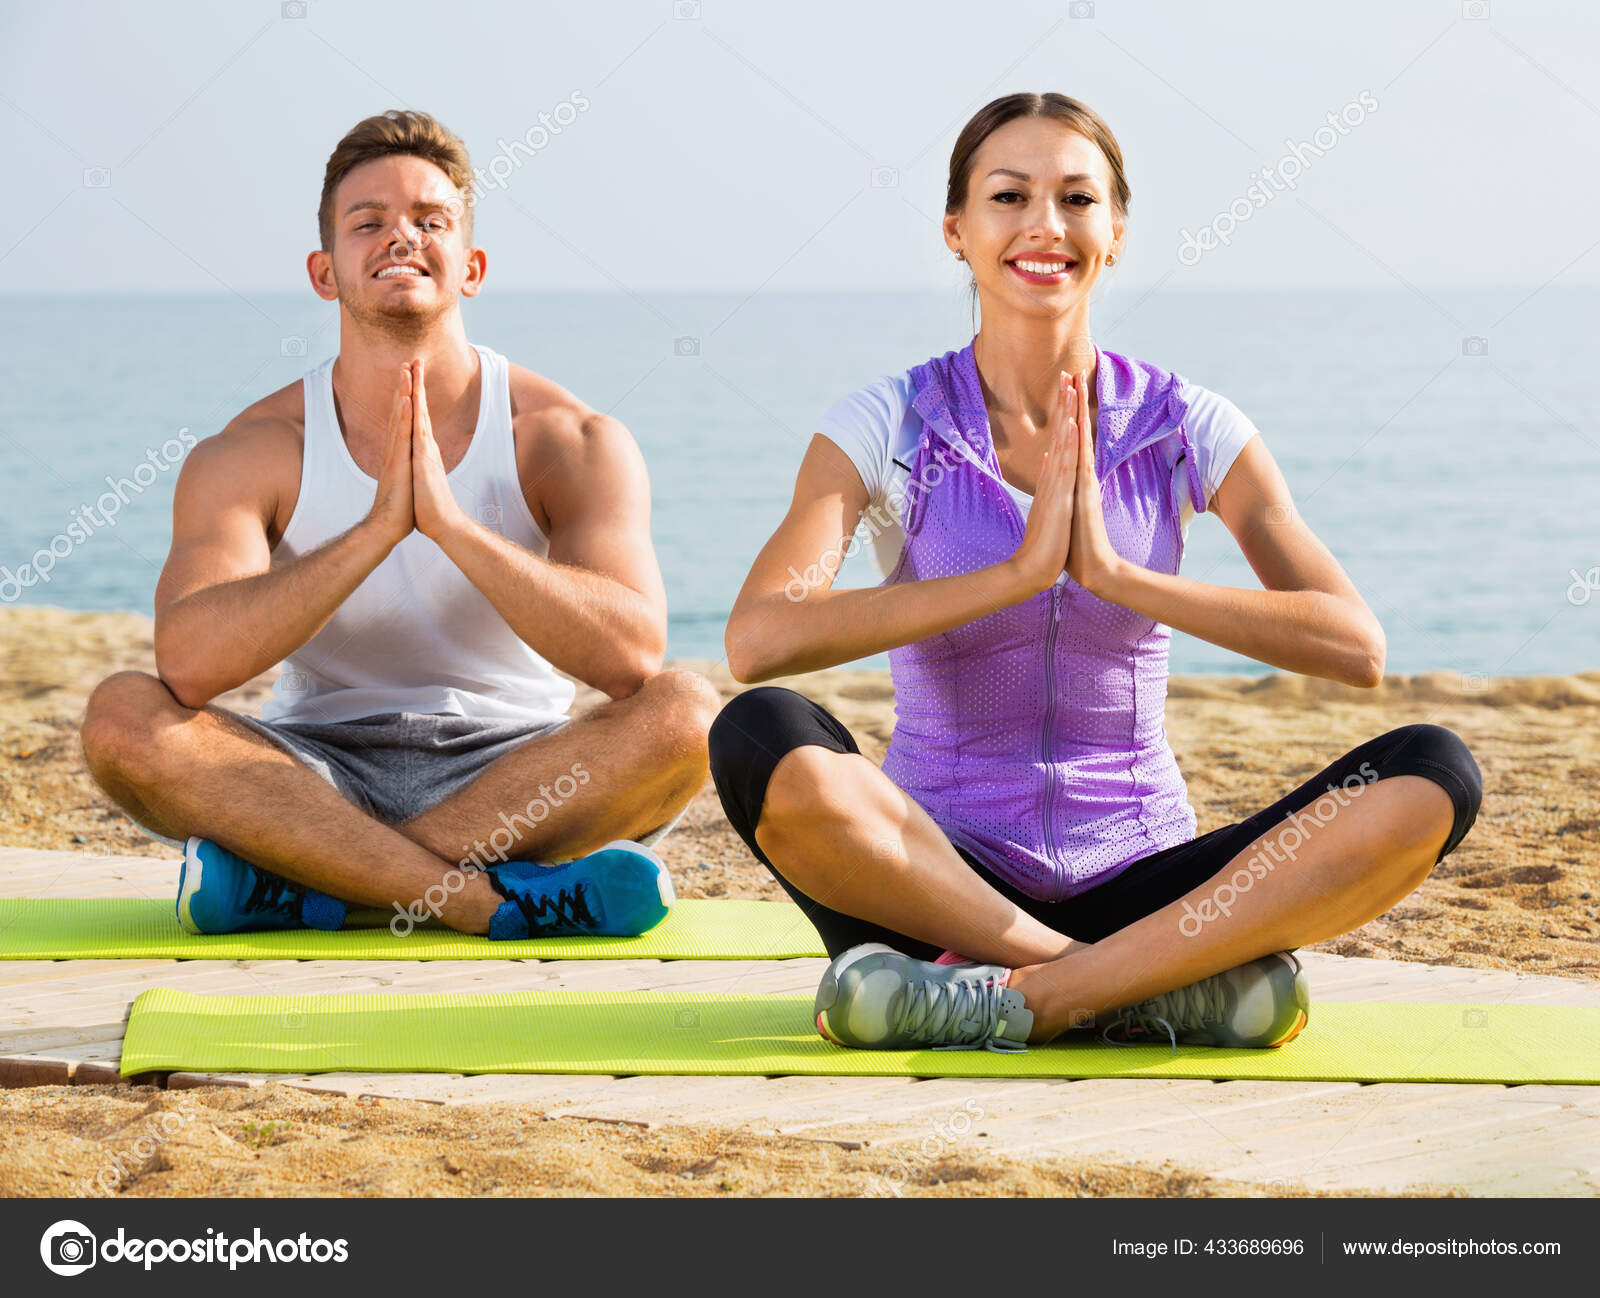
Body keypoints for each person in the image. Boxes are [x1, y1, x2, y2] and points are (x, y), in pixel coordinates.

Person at [707, 93, 1481, 1053]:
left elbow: (1353, 645)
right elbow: (761, 639)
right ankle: (1105, 985)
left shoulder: (1186, 425)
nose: (1045, 225)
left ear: (1115, 233)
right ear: (957, 230)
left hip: (1148, 886)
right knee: (758, 736)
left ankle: (1021, 997)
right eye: (1008, 196)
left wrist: (1117, 576)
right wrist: (1016, 574)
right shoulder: (886, 426)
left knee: (1430, 771)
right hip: (935, 884)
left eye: (1077, 198)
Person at [80, 110, 720, 940]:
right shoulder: (253, 450)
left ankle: (318, 884)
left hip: (514, 769)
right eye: (368, 222)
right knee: (124, 716)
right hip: (311, 771)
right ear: (324, 270)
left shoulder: (570, 439)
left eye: (430, 220)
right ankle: (487, 901)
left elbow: (631, 657)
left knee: (688, 713)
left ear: (472, 266)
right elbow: (192, 668)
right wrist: (376, 530)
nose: (400, 239)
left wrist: (450, 525)